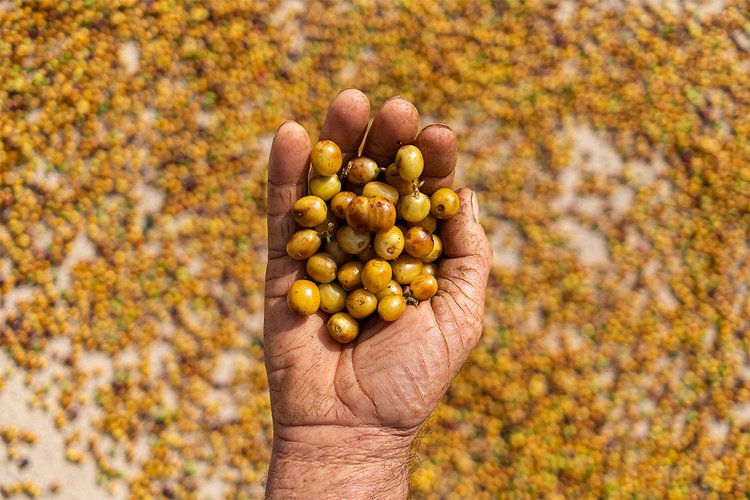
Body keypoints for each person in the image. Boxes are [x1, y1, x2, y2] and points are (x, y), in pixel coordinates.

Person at [263, 89, 493, 499]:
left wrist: (351, 447)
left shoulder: (390, 235)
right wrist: (354, 450)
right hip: (355, 280)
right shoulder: (375, 230)